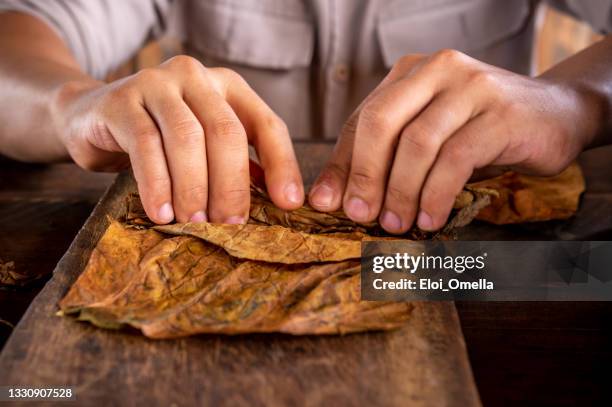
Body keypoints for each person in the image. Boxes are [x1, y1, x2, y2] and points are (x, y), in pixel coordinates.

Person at [0, 0, 610, 234]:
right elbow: (22, 31)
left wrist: (572, 101)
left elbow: (580, 280)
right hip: (221, 242)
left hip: (483, 266)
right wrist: (69, 105)